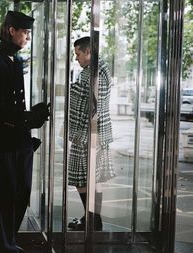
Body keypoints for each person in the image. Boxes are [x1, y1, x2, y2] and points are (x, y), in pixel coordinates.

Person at [0, 11, 50, 253]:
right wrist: (27, 119)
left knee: (22, 193)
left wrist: (33, 115)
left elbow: (16, 104)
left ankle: (9, 239)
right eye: (25, 32)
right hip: (1, 140)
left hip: (19, 139)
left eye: (29, 32)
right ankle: (2, 246)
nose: (28, 37)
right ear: (11, 30)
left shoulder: (17, 61)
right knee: (3, 196)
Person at [68, 36, 115, 231]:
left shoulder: (91, 74)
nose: (76, 58)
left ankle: (93, 221)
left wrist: (76, 136)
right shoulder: (100, 69)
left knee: (81, 179)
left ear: (88, 52)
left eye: (78, 54)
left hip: (86, 135)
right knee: (93, 179)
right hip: (96, 134)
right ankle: (92, 219)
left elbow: (87, 108)